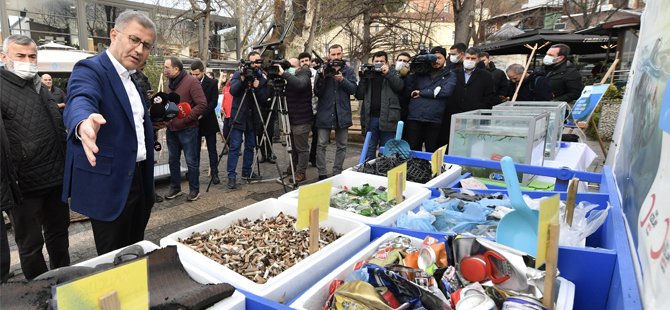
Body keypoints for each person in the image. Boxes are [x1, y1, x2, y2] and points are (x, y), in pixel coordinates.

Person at [63, 11, 157, 255]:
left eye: (146, 45)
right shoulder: (91, 69)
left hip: (139, 178)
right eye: (134, 40)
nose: (139, 49)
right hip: (111, 185)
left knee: (134, 251)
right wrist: (83, 122)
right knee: (112, 260)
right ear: (114, 35)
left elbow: (129, 120)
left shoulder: (134, 78)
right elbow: (81, 98)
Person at [0, 35, 70, 280]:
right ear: (4, 57)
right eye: (20, 56)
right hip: (23, 185)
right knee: (30, 244)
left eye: (32, 56)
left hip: (54, 176)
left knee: (59, 235)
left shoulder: (39, 85)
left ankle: (64, 278)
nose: (27, 61)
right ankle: (39, 290)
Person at [163, 57, 207, 201]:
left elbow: (201, 104)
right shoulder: (169, 84)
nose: (164, 70)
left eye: (166, 67)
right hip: (171, 129)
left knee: (191, 161)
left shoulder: (192, 82)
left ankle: (194, 190)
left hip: (188, 130)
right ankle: (175, 188)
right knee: (172, 160)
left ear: (176, 69)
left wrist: (186, 120)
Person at [226, 51, 270, 189]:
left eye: (258, 61)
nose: (255, 64)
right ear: (248, 62)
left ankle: (247, 172)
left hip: (253, 117)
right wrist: (243, 81)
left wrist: (257, 87)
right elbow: (233, 91)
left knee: (250, 146)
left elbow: (264, 98)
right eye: (252, 62)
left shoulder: (262, 77)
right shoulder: (239, 74)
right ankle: (231, 176)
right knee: (235, 147)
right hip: (239, 116)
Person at [314, 44, 357, 180]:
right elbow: (317, 92)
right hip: (325, 113)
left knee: (342, 145)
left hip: (342, 113)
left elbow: (353, 90)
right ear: (329, 55)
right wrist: (322, 77)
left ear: (342, 54)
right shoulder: (322, 70)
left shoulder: (348, 71)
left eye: (338, 54)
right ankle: (322, 173)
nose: (336, 57)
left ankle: (337, 172)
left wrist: (342, 80)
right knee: (321, 144)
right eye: (333, 54)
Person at [403, 46, 457, 152]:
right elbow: (408, 90)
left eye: (439, 58)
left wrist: (422, 93)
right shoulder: (420, 73)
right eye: (433, 58)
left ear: (445, 59)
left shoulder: (450, 75)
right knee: (413, 149)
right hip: (415, 116)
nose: (436, 61)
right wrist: (412, 70)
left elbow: (446, 92)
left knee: (432, 150)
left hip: (434, 118)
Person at [355, 51, 404, 160]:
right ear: (372, 62)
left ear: (386, 62)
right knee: (369, 150)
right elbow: (359, 95)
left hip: (388, 118)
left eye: (382, 61)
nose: (379, 63)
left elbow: (400, 87)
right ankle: (368, 171)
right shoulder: (368, 74)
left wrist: (388, 74)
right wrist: (362, 77)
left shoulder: (394, 73)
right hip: (371, 118)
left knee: (386, 150)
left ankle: (384, 173)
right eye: (376, 61)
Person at [277, 54, 314, 183]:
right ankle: (293, 166)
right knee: (292, 145)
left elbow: (300, 85)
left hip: (302, 119)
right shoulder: (289, 78)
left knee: (301, 148)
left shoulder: (304, 73)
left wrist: (285, 74)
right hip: (290, 118)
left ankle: (301, 172)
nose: (288, 69)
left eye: (291, 66)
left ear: (298, 67)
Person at [191, 60, 221, 185]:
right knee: (195, 150)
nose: (194, 77)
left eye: (197, 75)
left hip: (208, 120)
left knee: (212, 150)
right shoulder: (190, 83)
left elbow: (214, 102)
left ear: (203, 72)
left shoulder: (212, 83)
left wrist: (202, 113)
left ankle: (214, 173)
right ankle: (195, 174)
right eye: (192, 74)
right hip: (195, 122)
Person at [394, 52, 411, 123]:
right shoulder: (391, 74)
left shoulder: (411, 76)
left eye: (405, 61)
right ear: (396, 61)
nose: (401, 62)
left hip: (405, 113)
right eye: (400, 60)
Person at [221, 72, 234, 154]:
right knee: (225, 133)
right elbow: (222, 99)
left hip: (234, 114)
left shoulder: (236, 89)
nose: (231, 79)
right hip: (226, 114)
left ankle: (236, 148)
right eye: (231, 77)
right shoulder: (225, 88)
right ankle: (227, 147)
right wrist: (221, 107)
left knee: (234, 133)